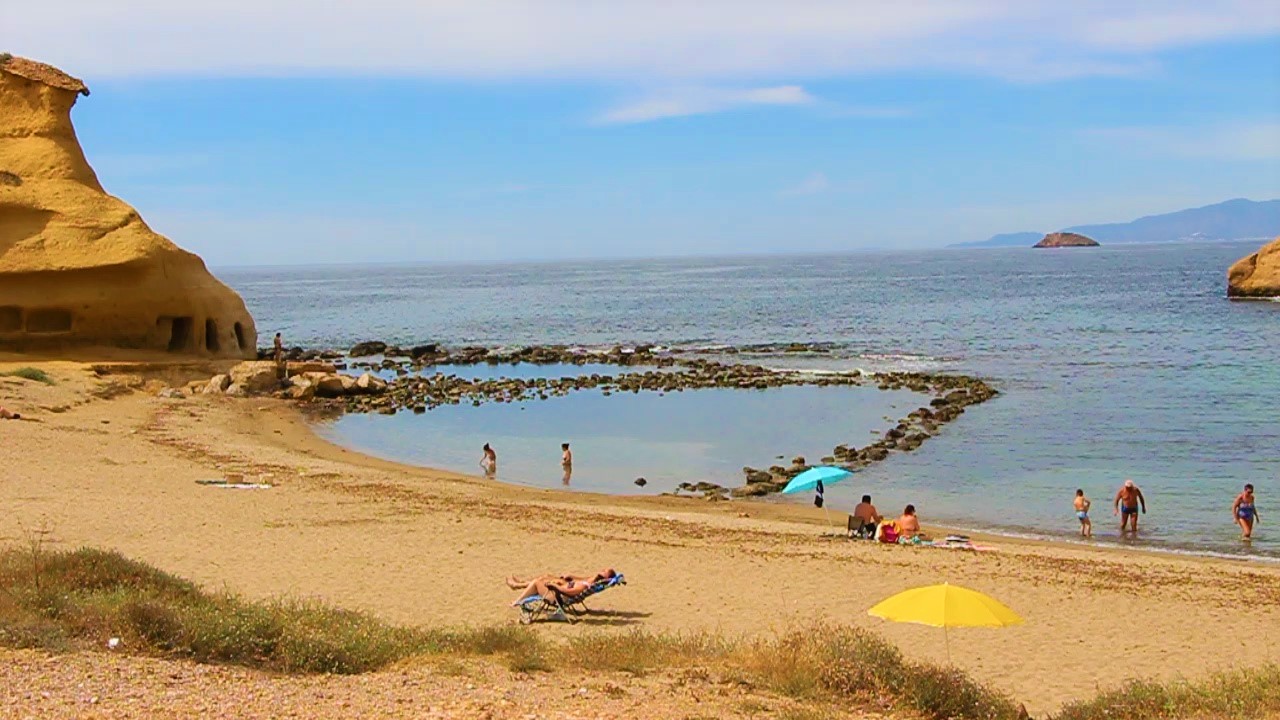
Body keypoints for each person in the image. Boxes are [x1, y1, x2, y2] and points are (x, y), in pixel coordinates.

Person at [509, 576, 595, 607]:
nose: (601, 571)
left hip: (556, 597)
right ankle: (520, 584)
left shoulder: (583, 586)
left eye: (603, 572)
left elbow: (568, 592)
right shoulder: (588, 582)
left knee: (537, 583)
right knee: (545, 577)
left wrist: (554, 585)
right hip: (558, 592)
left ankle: (517, 601)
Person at [506, 568, 616, 590]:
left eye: (605, 571)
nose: (602, 570)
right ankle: (522, 583)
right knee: (545, 576)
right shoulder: (596, 578)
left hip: (568, 587)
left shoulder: (598, 579)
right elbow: (584, 579)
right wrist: (572, 576)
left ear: (606, 576)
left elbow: (583, 584)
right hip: (570, 583)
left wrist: (570, 579)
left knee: (543, 580)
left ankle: (517, 585)